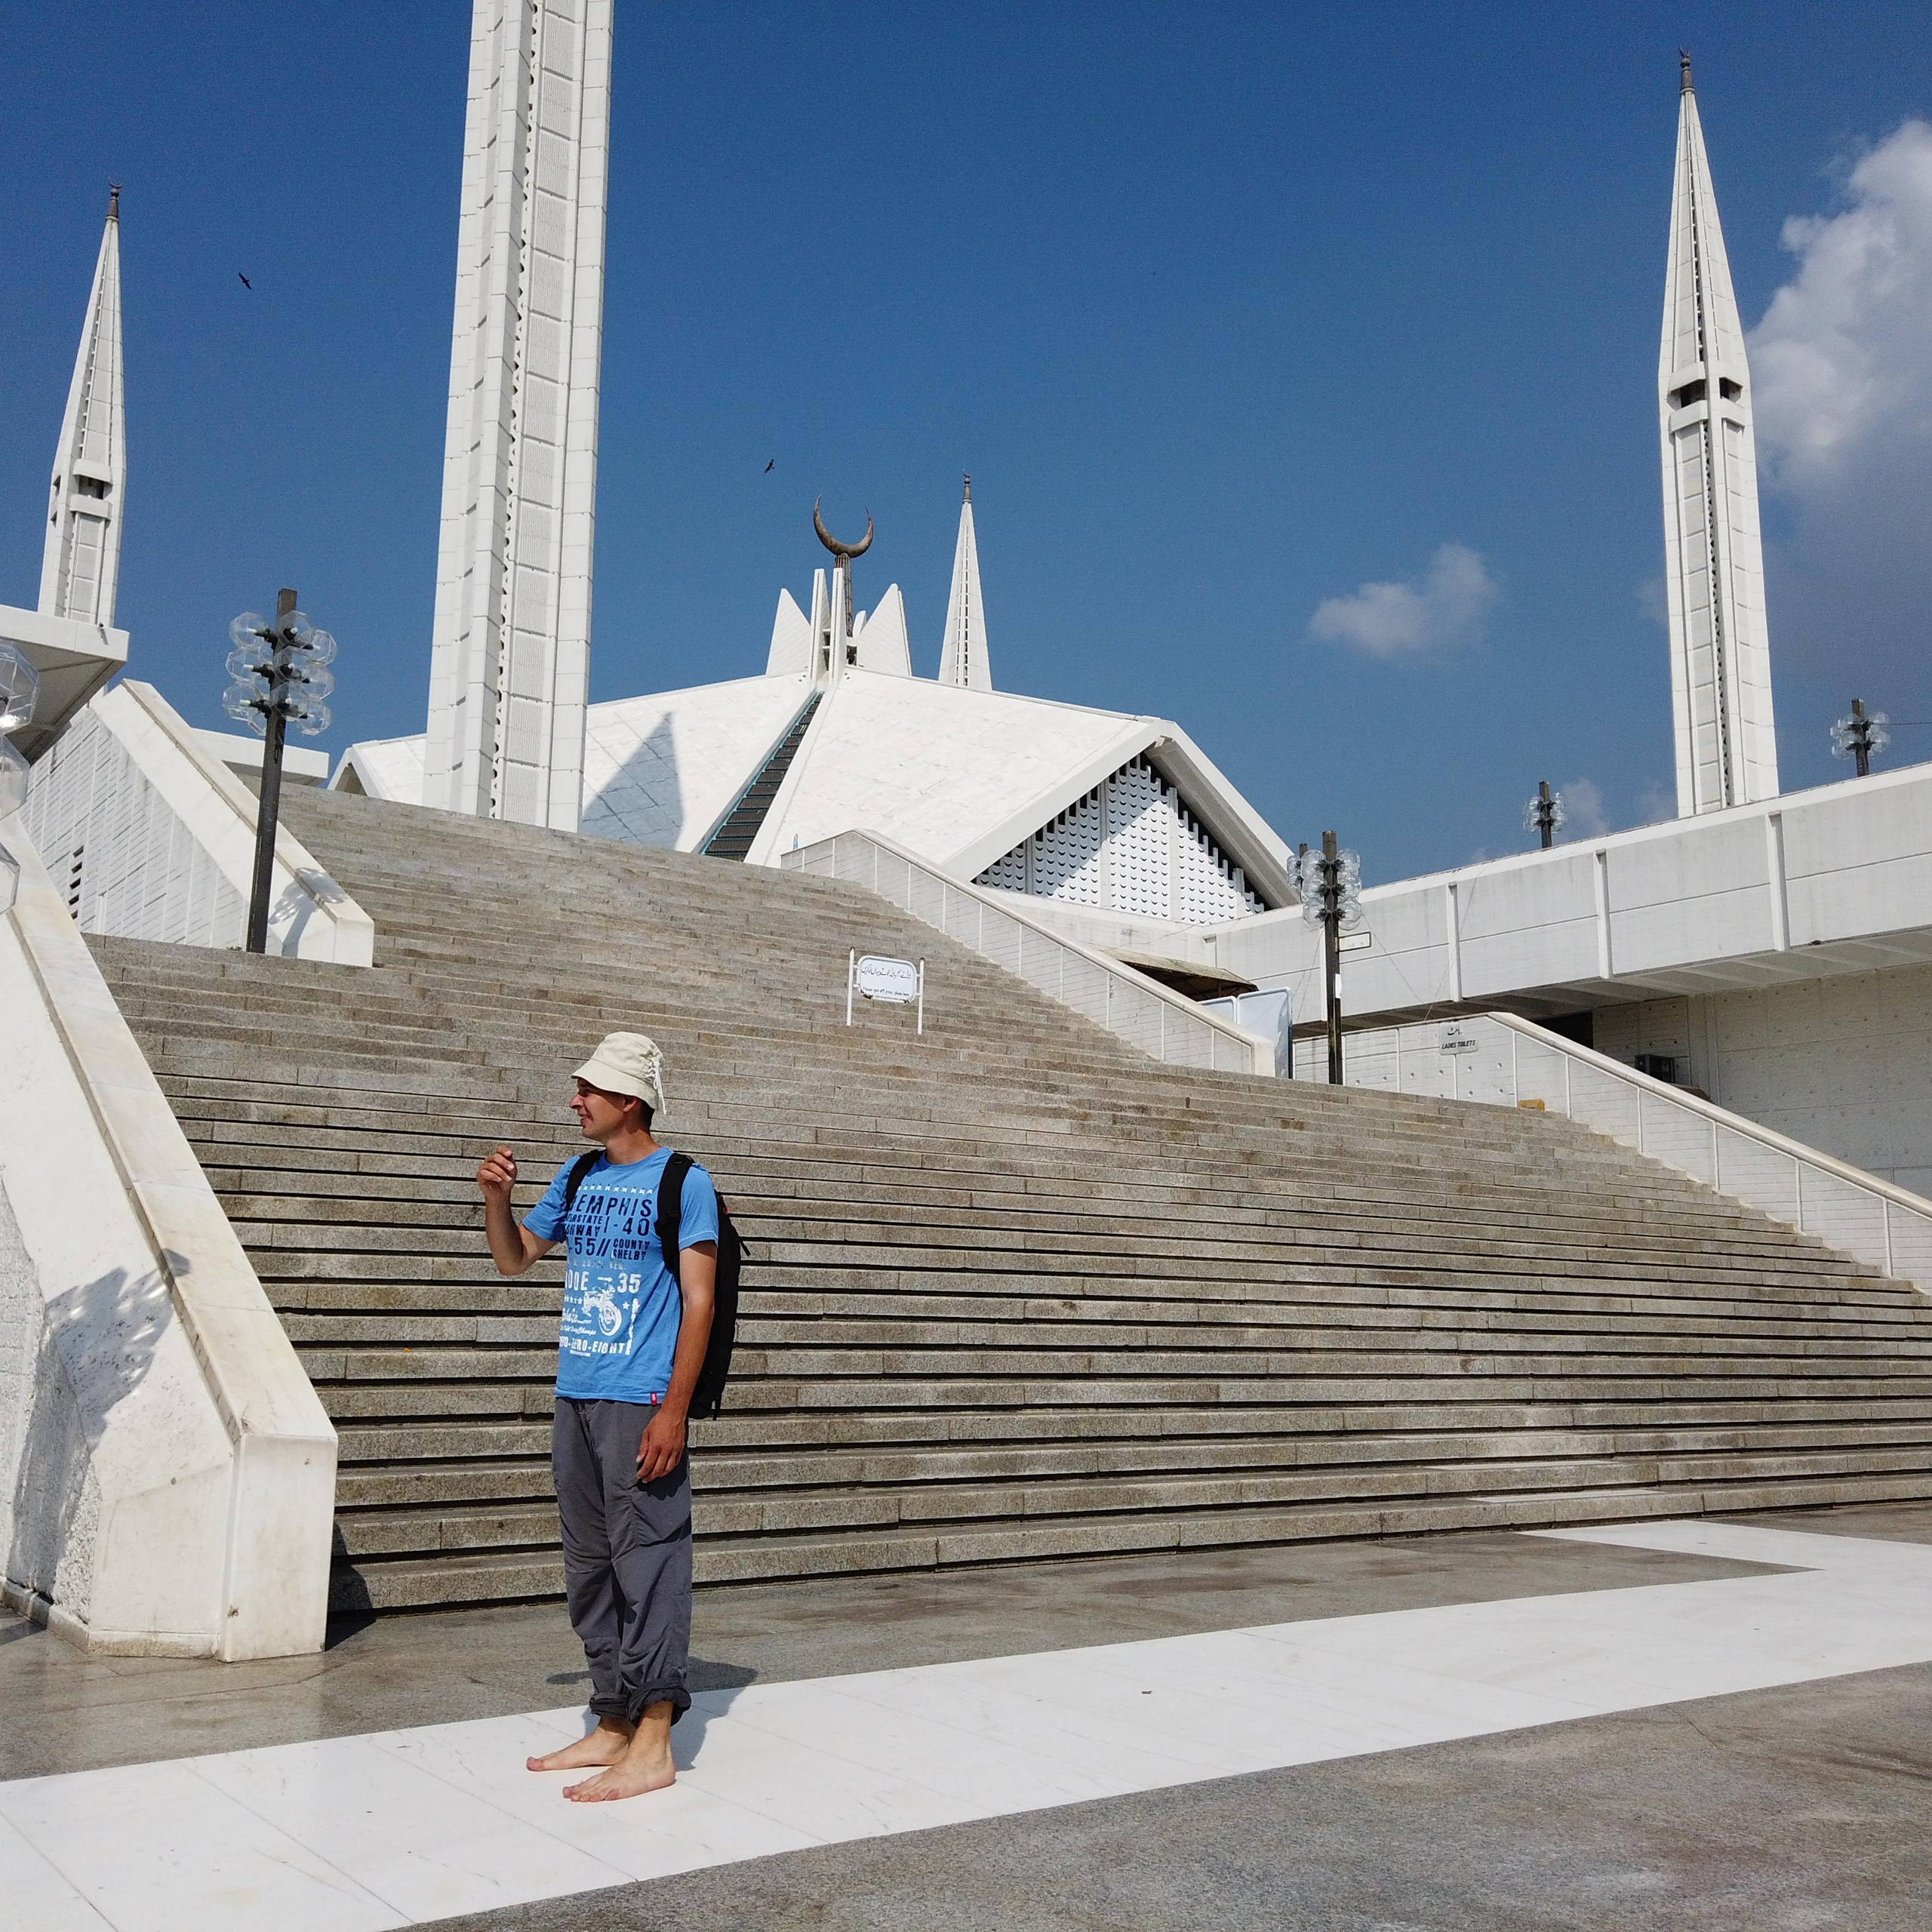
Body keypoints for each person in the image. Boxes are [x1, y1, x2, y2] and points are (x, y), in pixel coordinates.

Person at [475, 1031, 718, 1803]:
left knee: (648, 1560)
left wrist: (673, 1410)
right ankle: (612, 1718)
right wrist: (496, 1201)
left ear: (628, 1101)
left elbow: (701, 1301)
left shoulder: (683, 1181)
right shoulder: (579, 1175)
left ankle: (653, 1739)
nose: (575, 1099)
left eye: (589, 1088)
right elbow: (514, 1259)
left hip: (640, 1397)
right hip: (576, 1395)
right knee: (588, 1564)